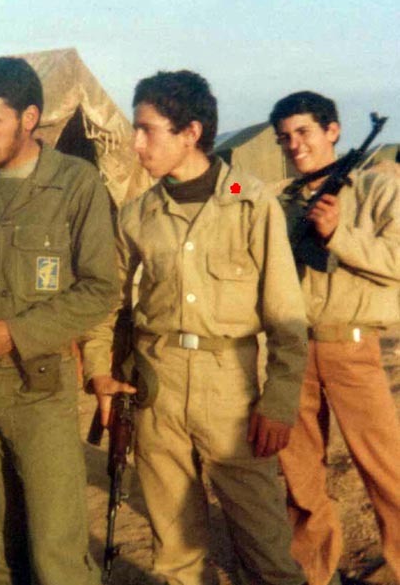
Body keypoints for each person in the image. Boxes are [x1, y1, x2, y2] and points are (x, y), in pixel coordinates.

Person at [85, 70, 309, 585]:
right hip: (155, 389)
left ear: (190, 132)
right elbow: (105, 302)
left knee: (266, 550)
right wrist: (101, 372)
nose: (136, 143)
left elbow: (286, 315)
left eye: (147, 130)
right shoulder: (138, 214)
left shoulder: (249, 201)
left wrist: (278, 401)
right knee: (175, 555)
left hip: (230, 393)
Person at [0, 56, 124, 585]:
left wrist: (15, 333)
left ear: (30, 118)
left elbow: (99, 289)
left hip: (39, 387)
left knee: (55, 550)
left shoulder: (76, 184)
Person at [270, 91, 400, 585]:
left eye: (304, 131)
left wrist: (338, 235)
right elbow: (235, 187)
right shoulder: (281, 197)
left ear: (333, 131)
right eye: (284, 137)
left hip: (351, 346)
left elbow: (397, 259)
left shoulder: (377, 190)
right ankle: (312, 569)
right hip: (292, 351)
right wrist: (227, 178)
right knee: (300, 470)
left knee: (384, 467)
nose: (294, 144)